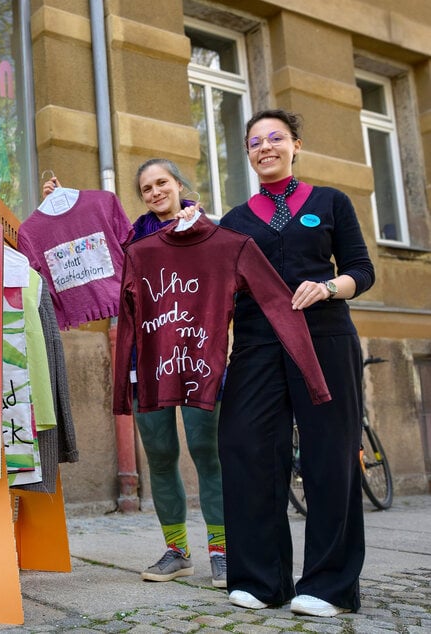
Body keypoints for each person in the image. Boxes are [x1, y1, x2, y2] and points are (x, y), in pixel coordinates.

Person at [217, 109, 375, 617]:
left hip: (324, 336)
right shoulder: (234, 221)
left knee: (331, 457)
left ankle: (328, 586)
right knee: (248, 451)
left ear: (296, 145)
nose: (265, 146)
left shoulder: (331, 202)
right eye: (255, 141)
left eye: (276, 137)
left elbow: (361, 270)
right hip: (258, 344)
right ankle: (261, 580)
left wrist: (329, 287)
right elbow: (214, 289)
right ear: (247, 153)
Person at [43, 164, 227, 588]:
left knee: (206, 450)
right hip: (143, 360)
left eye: (162, 182)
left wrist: (194, 228)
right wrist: (59, 202)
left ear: (179, 185)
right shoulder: (130, 238)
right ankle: (177, 552)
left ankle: (222, 551)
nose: (155, 191)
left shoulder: (209, 230)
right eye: (146, 188)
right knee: (161, 456)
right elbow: (84, 241)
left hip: (197, 355)